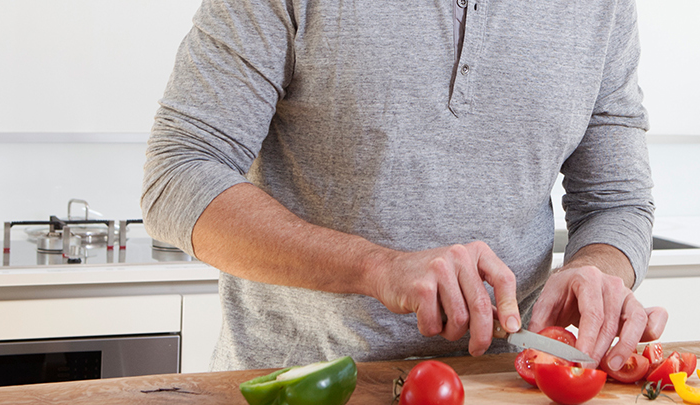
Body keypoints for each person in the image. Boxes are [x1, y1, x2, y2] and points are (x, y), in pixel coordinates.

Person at [141, 0, 666, 372]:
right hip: (302, 398)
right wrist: (378, 268)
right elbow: (179, 174)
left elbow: (617, 202)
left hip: (506, 395)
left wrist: (593, 271)